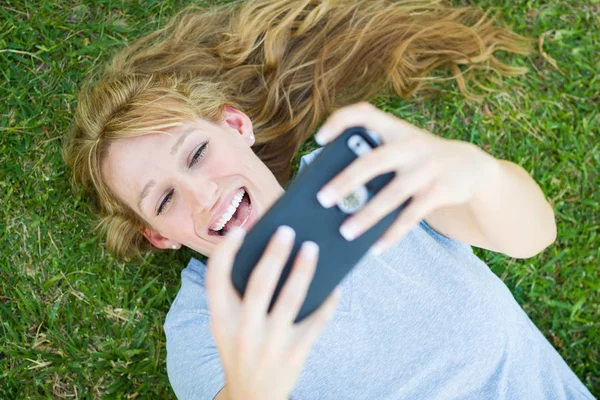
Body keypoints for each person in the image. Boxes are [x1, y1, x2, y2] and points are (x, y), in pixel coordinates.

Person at [62, 0, 595, 398]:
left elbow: (534, 237)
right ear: (158, 235)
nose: (203, 194)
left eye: (197, 153)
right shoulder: (201, 328)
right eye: (164, 201)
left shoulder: (364, 174)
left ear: (236, 125)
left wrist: (482, 175)